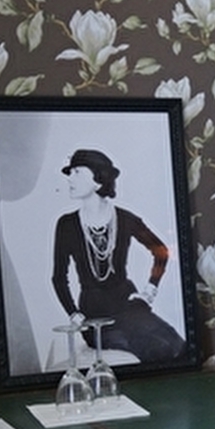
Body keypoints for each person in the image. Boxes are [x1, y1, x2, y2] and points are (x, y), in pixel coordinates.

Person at [51, 148, 186, 363]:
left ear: (97, 180)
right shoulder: (66, 224)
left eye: (77, 172)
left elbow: (161, 251)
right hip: (95, 317)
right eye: (70, 173)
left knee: (176, 344)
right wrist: (73, 313)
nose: (70, 179)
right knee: (152, 348)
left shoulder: (125, 219)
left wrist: (149, 291)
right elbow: (59, 277)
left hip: (130, 307)